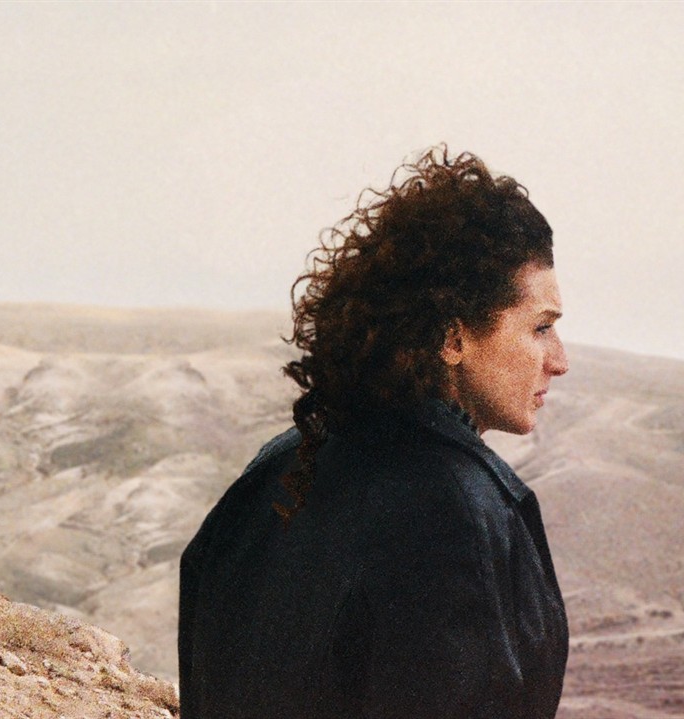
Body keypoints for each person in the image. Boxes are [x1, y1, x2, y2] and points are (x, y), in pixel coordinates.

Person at [178, 147, 570, 718]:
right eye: (541, 328)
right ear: (453, 339)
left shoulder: (277, 469)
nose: (559, 360)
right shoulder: (458, 519)